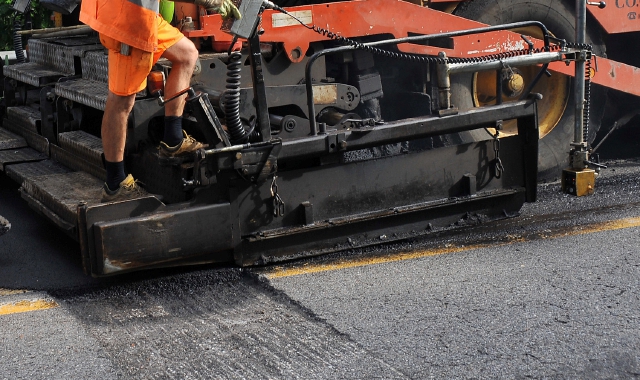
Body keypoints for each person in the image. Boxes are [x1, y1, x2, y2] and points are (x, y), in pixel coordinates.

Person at [79, 0, 241, 202]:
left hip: (140, 15)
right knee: (122, 102)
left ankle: (173, 141)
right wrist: (211, 2)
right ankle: (115, 185)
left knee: (187, 54)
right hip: (129, 20)